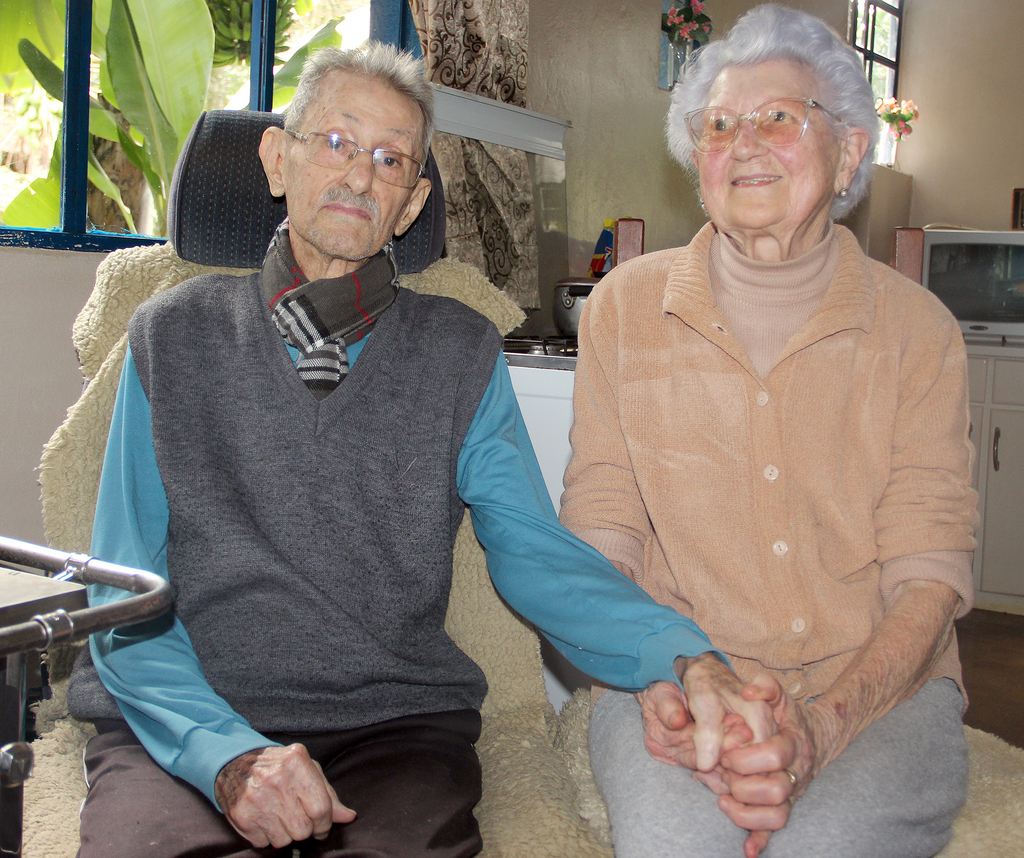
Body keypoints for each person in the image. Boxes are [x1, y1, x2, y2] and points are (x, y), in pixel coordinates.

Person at [66, 42, 771, 858]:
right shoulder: (170, 336)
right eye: (335, 141)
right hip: (190, 718)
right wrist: (225, 756)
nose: (360, 176)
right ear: (276, 158)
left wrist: (686, 657)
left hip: (390, 725)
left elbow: (536, 555)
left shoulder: (460, 352)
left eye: (390, 159)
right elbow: (122, 599)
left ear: (412, 204)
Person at [559, 6, 978, 858]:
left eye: (778, 117)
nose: (742, 143)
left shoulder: (919, 332)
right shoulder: (623, 311)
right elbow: (602, 534)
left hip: (876, 691)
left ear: (851, 148)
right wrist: (661, 685)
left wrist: (820, 730)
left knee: (823, 845)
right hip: (674, 676)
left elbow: (929, 570)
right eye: (718, 124)